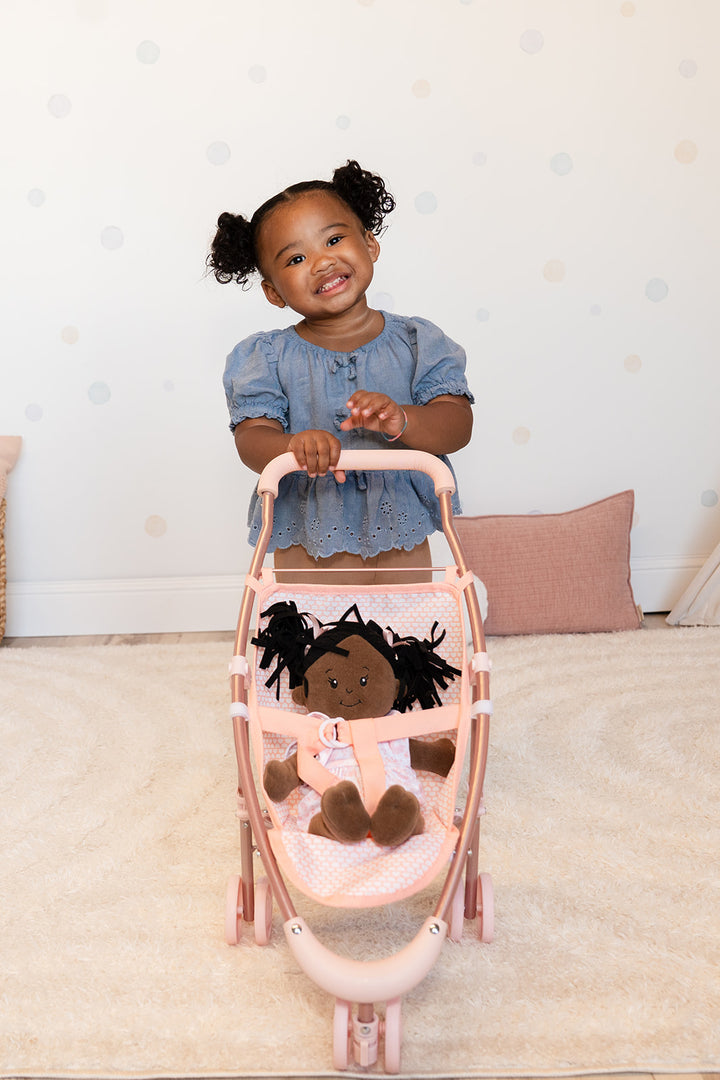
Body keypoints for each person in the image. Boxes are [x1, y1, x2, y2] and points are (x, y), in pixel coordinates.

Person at [208, 159, 474, 583]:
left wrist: (403, 419)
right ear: (274, 292)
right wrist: (292, 445)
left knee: (404, 637)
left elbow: (457, 427)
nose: (321, 262)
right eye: (296, 258)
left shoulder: (417, 341)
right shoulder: (267, 356)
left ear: (370, 244)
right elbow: (251, 439)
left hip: (399, 525)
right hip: (309, 526)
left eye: (334, 239)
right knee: (318, 637)